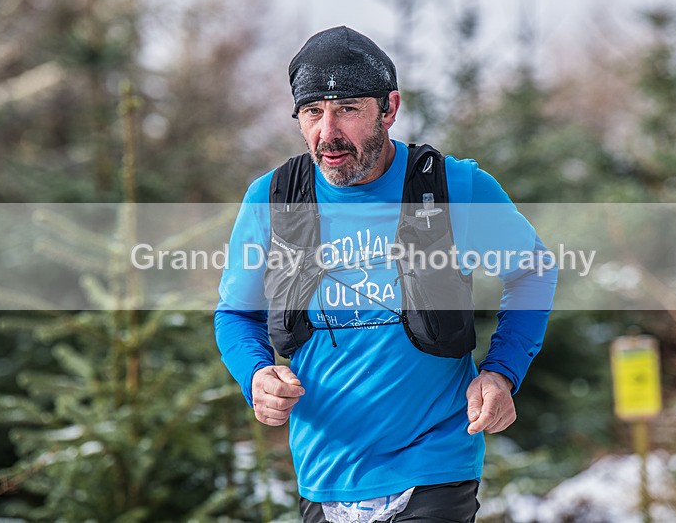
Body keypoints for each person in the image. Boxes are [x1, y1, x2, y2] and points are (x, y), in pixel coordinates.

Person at [215, 26, 556, 523]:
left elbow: (533, 270)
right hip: (324, 473)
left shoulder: (450, 186)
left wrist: (501, 373)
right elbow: (235, 314)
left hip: (434, 465)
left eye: (348, 109)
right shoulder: (273, 198)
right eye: (312, 112)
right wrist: (256, 374)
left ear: (389, 109)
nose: (327, 133)